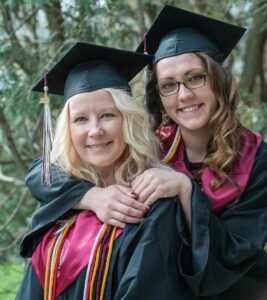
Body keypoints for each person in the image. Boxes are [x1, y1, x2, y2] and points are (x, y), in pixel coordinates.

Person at [23, 5, 267, 300]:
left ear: (220, 79)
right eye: (168, 85)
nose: (184, 95)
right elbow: (45, 171)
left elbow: (237, 251)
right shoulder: (146, 142)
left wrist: (185, 191)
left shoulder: (256, 159)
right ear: (158, 95)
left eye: (196, 78)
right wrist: (91, 196)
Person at [17, 42, 193, 300]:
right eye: (80, 119)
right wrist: (90, 196)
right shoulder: (60, 205)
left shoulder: (151, 206)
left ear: (128, 121)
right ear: (68, 131)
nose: (95, 130)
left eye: (108, 115)